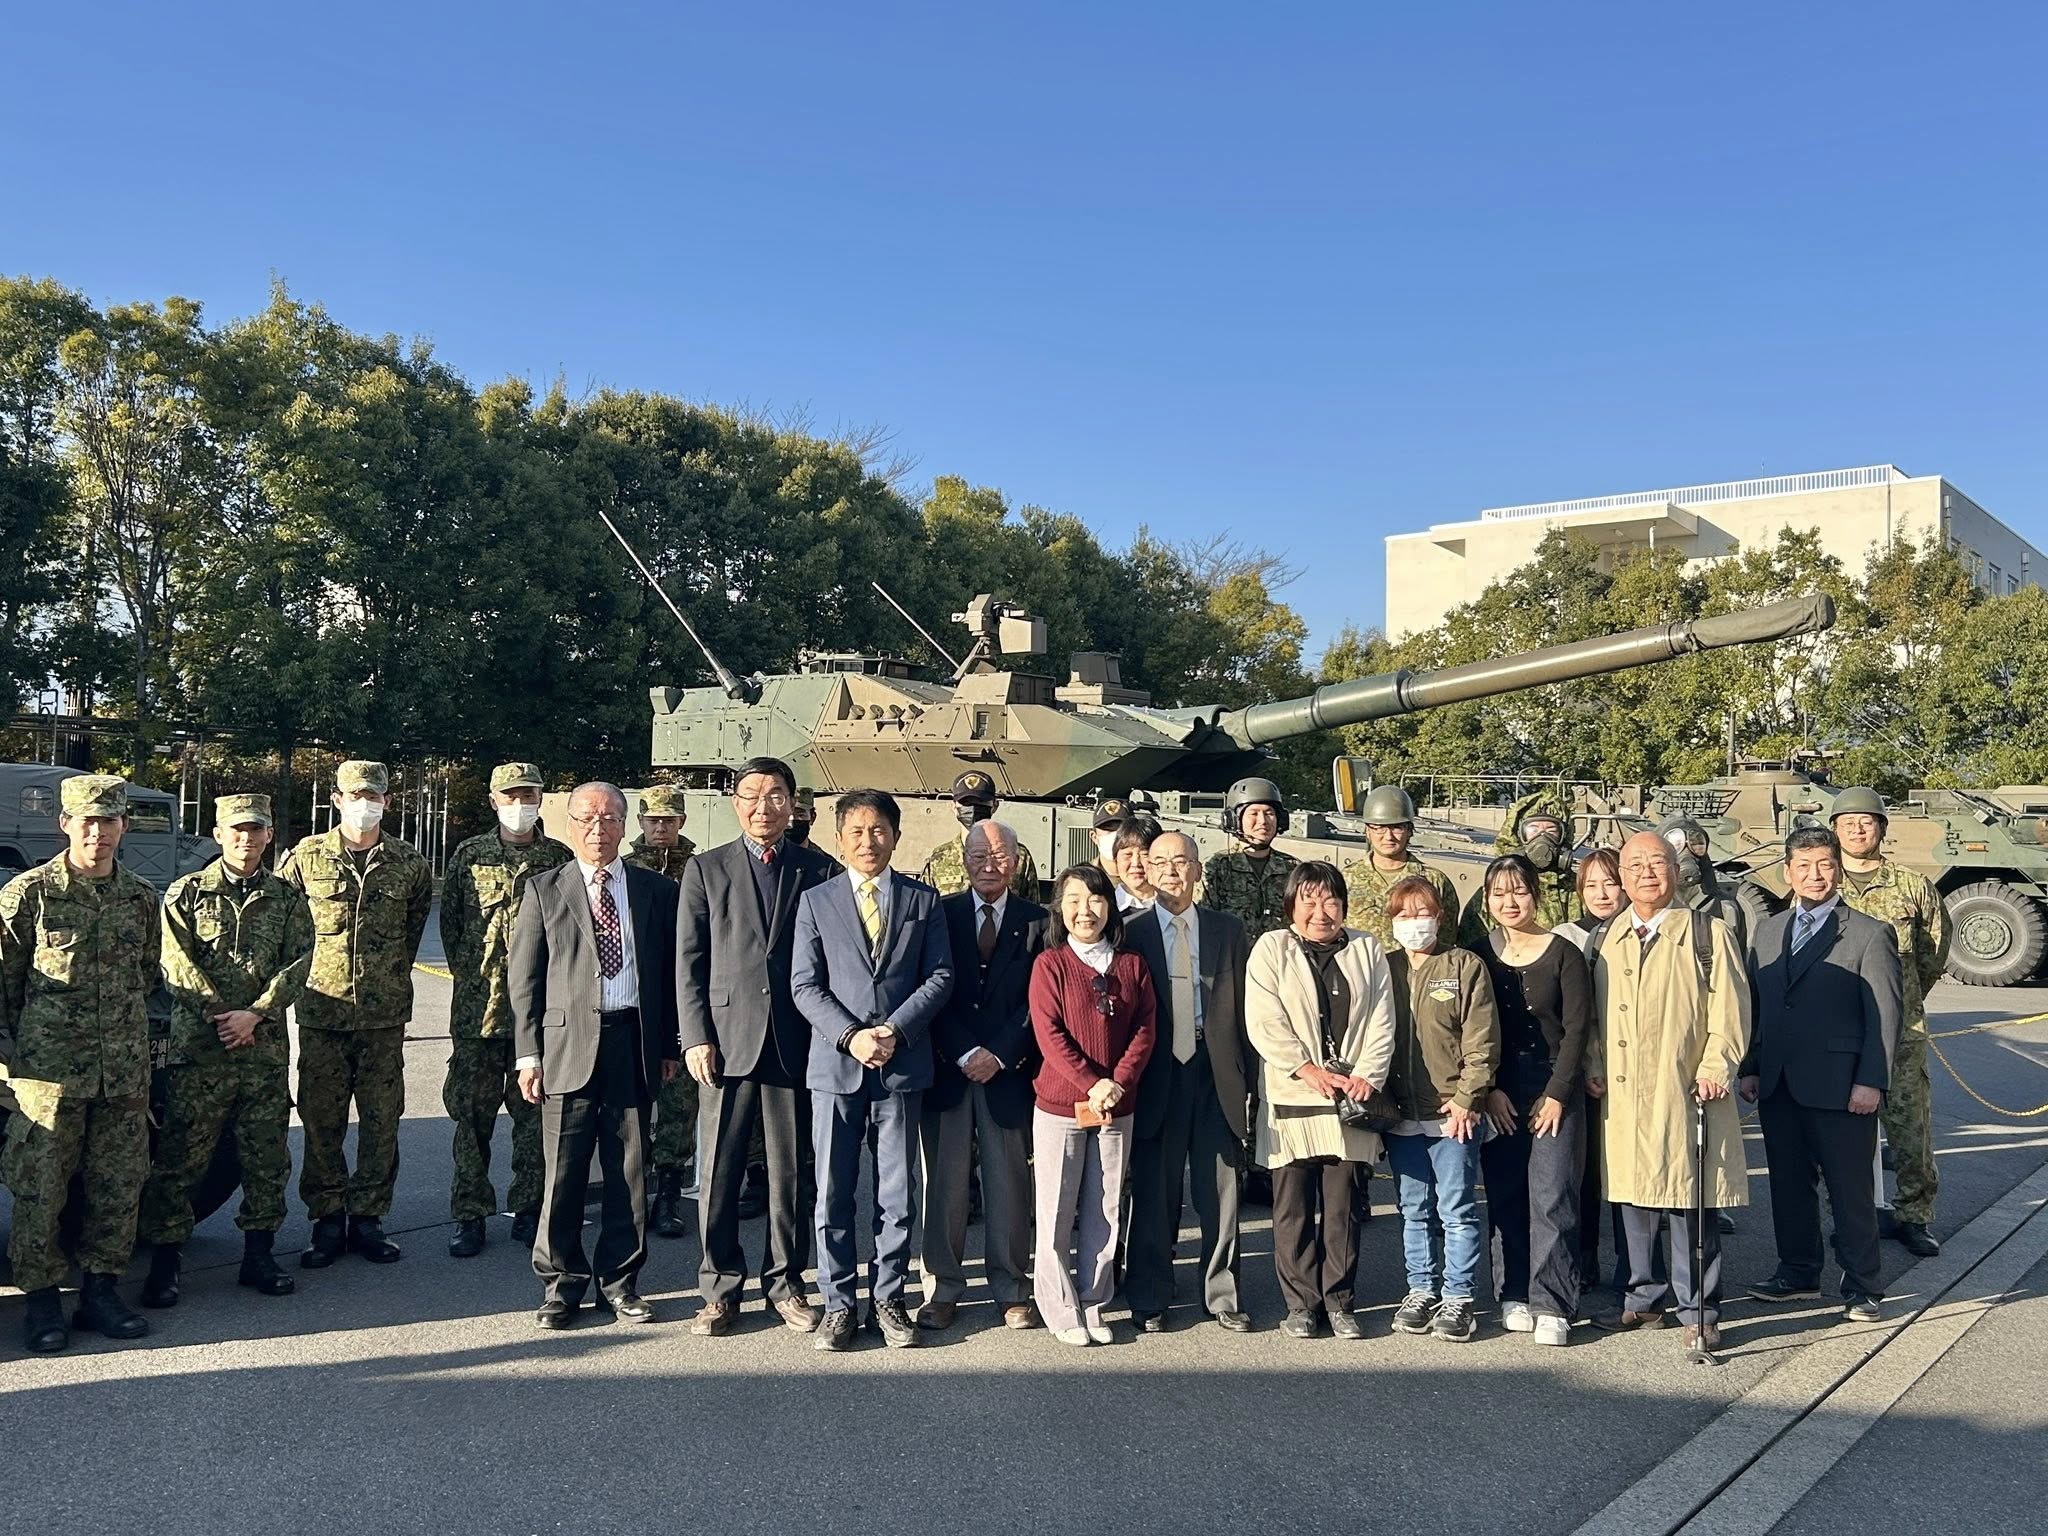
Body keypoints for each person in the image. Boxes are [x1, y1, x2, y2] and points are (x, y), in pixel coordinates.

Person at [677, 755, 840, 1337]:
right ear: (735, 802)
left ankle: (786, 1284)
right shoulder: (705, 868)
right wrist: (695, 1035)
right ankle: (719, 1288)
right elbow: (689, 961)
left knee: (790, 1174)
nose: (763, 806)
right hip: (726, 1041)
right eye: (751, 794)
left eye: (775, 795)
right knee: (719, 1171)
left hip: (795, 1040)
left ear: (792, 804)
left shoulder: (819, 869)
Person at [510, 782, 682, 1328]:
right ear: (569, 823)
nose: (597, 829)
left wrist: (669, 1044)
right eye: (586, 818)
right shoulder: (544, 889)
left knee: (629, 1170)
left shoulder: (656, 891)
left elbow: (670, 974)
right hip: (565, 1047)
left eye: (609, 818)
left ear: (625, 825)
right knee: (562, 1172)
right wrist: (528, 1054)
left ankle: (620, 1283)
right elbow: (524, 980)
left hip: (633, 1041)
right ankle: (561, 1285)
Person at [0, 775, 160, 1353]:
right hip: (49, 1078)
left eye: (109, 820)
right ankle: (42, 1300)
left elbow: (146, 975)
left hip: (122, 1073)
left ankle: (101, 1292)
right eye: (87, 821)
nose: (98, 832)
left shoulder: (141, 897)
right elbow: (5, 986)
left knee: (117, 1186)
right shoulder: (29, 894)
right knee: (40, 1191)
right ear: (65, 824)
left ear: (124, 826)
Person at [138, 794, 315, 1309]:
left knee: (266, 1158)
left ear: (268, 836)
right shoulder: (187, 893)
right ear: (218, 834)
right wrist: (222, 1014)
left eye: (256, 829)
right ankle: (165, 1263)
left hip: (262, 1051)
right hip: (201, 1052)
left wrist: (255, 1014)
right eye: (236, 829)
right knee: (181, 1159)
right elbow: (174, 962)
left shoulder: (287, 898)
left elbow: (299, 962)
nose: (246, 838)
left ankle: (258, 1255)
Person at [792, 788, 954, 1352]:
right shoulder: (816, 901)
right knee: (832, 1192)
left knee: (897, 1194)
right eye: (857, 832)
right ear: (839, 839)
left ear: (896, 836)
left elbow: (939, 976)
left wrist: (893, 1031)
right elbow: (805, 984)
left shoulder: (923, 900)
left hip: (901, 1066)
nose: (869, 841)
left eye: (879, 830)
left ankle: (889, 1298)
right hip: (836, 1067)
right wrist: (852, 1035)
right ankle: (838, 1304)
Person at [1587, 832, 1751, 1355]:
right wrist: (1592, 1064)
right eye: (1634, 865)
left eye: (1657, 863)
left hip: (1684, 1088)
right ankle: (1642, 1297)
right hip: (1622, 1092)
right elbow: (1589, 1017)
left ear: (1676, 872)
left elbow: (1731, 1012)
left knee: (1688, 1198)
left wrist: (1716, 1065)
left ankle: (1699, 1308)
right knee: (1634, 1196)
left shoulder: (1707, 933)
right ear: (1622, 876)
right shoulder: (1605, 937)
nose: (1646, 873)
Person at [1742, 826, 1902, 1323]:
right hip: (1779, 1082)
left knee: (1850, 1190)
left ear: (1838, 870)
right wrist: (1751, 1066)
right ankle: (1798, 1272)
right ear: (1787, 872)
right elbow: (1757, 1006)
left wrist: (1872, 1080)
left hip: (1842, 1084)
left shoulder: (1869, 933)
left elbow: (1885, 1014)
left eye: (1825, 865)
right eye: (1804, 866)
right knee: (1788, 1185)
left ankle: (1864, 1285)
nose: (1815, 875)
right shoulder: (1768, 931)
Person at [277, 760, 433, 1268]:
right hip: (322, 1012)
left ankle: (368, 1217)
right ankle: (326, 1218)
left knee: (381, 1120)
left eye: (374, 795)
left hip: (383, 1016)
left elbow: (412, 932)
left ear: (387, 801)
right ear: (338, 800)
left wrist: (385, 978)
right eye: (356, 795)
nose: (365, 803)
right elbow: (283, 923)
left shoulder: (409, 863)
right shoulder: (305, 857)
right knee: (321, 1118)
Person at [1244, 861, 1396, 1340]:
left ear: (1344, 905)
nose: (1320, 911)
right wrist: (1306, 1068)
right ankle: (1301, 1305)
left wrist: (1367, 1074)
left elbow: (1382, 1017)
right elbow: (1264, 1019)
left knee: (1342, 1207)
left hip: (1351, 1099)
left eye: (1330, 900)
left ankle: (1340, 1301)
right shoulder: (1272, 948)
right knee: (1292, 1208)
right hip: (1294, 1096)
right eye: (1308, 901)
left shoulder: (1367, 948)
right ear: (1291, 905)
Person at [438, 761, 573, 1258]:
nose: (520, 805)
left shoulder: (559, 858)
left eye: (528, 795)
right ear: (494, 801)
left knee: (533, 1118)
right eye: (510, 796)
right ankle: (469, 1214)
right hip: (478, 1015)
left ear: (540, 799)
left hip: (536, 1015)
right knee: (471, 1120)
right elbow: (451, 928)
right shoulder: (469, 855)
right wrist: (475, 981)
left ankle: (529, 1209)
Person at [918, 820, 1047, 1331]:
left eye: (999, 855)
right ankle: (942, 1289)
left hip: (1008, 1073)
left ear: (1016, 861)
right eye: (978, 855)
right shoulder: (939, 914)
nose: (988, 864)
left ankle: (1012, 1287)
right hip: (949, 1069)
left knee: (1009, 1186)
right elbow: (930, 989)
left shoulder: (1040, 921)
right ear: (963, 859)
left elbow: (1040, 1000)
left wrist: (999, 1053)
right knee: (944, 1189)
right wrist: (965, 1050)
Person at [1125, 831, 1254, 1333]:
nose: (1171, 871)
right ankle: (1151, 1294)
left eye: (1181, 862)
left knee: (1220, 1190)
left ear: (1198, 870)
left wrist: (1251, 1083)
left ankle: (1222, 1294)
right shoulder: (1131, 933)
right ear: (1147, 870)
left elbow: (1245, 1012)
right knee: (1154, 1190)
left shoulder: (1229, 930)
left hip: (1213, 1070)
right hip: (1156, 1071)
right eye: (1160, 862)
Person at [1029, 863, 1157, 1347]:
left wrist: (1116, 1083)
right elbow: (1049, 1034)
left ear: (1110, 906)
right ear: (1060, 909)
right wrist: (1091, 1083)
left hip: (1117, 1106)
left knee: (1105, 1207)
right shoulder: (1050, 965)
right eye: (1074, 900)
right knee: (1056, 1210)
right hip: (1061, 1106)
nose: (1086, 910)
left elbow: (1144, 1030)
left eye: (1096, 899)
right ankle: (1060, 1307)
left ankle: (1094, 1301)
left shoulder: (1131, 965)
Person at [1474, 854, 1593, 1347]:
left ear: (1536, 895)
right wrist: (1489, 1089)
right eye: (1499, 893)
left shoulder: (1564, 954)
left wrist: (1557, 1094)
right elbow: (1471, 1029)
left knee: (1553, 1194)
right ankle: (1513, 1292)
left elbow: (1577, 1030)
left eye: (1519, 891)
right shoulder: (1477, 954)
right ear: (1487, 900)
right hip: (1499, 1088)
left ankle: (1554, 1302)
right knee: (1505, 1192)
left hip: (1553, 1083)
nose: (1510, 901)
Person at [1831, 787, 1949, 1258]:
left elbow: (1933, 953)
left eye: (1867, 821)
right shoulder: (1822, 881)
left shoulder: (1912, 886)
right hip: (1839, 1030)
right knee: (1842, 1134)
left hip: (1901, 1032)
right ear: (1835, 830)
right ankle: (1850, 1215)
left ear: (1882, 828)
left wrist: (1904, 1000)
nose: (1858, 830)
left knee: (1909, 1127)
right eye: (1848, 823)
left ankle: (1914, 1215)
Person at [1382, 875, 1500, 1342]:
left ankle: (1458, 1297)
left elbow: (1482, 1040)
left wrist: (1469, 1097)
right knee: (1414, 1209)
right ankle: (1421, 1289)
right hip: (1400, 1112)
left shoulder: (1463, 966)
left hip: (1453, 1112)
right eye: (1404, 915)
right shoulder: (1384, 967)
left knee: (1457, 1209)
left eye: (1423, 913)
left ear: (1440, 917)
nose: (1414, 923)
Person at [1555, 847, 1630, 1287]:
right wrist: (1588, 1064)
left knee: (1627, 1174)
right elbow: (1572, 1016)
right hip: (1585, 1069)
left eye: (1611, 883)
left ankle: (1633, 1266)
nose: (1602, 894)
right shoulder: (1567, 938)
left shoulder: (1640, 931)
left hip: (1634, 1069)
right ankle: (1584, 1259)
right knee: (1582, 1173)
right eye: (1592, 885)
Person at [628, 783, 699, 1240]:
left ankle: (669, 1192)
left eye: (669, 820)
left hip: (683, 998)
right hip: (636, 1001)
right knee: (632, 1102)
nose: (660, 827)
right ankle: (633, 1193)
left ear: (681, 822)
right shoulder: (624, 867)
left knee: (680, 1102)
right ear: (640, 822)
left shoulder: (700, 868)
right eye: (653, 819)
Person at [1340, 785, 1460, 953]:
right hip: (1364, 969)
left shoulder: (1433, 880)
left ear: (1410, 831)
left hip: (1418, 969)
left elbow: (1446, 940)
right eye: (1379, 828)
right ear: (1367, 831)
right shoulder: (1346, 879)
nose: (1388, 836)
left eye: (1397, 827)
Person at [1459, 792, 1581, 943]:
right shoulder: (1493, 894)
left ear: (1563, 836)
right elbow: (1470, 948)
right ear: (1518, 835)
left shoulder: (1578, 890)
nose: (1542, 838)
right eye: (1533, 830)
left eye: (1551, 831)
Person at [1202, 777, 1299, 942]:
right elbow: (1203, 923)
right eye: (1254, 813)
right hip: (1231, 956)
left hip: (1279, 956)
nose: (1263, 821)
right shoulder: (1216, 868)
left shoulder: (1293, 869)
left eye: (1269, 813)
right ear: (1233, 820)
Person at [918, 770, 1040, 898]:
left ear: (995, 805)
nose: (972, 808)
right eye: (966, 803)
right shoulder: (939, 859)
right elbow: (925, 904)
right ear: (953, 807)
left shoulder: (1017, 856)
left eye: (980, 802)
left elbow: (1031, 905)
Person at [1661, 815, 1750, 949]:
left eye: (1696, 844)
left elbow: (1736, 958)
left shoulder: (1726, 909)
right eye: (1676, 845)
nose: (1686, 852)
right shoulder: (1646, 906)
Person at [1112, 815, 1161, 912]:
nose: (1136, 863)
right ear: (1116, 859)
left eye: (1145, 854)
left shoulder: (1174, 907)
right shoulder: (1105, 909)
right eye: (1128, 854)